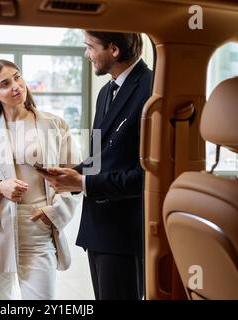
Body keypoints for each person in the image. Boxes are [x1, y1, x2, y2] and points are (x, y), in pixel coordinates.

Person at [39, 31, 153, 299]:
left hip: (126, 233)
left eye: (90, 47)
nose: (86, 54)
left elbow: (147, 176)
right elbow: (98, 157)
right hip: (98, 229)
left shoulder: (152, 90)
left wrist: (84, 183)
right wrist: (73, 174)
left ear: (113, 50)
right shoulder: (106, 92)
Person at [0, 59, 80, 300]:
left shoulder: (55, 125)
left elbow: (76, 179)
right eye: (5, 83)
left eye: (17, 77)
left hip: (39, 230)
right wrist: (0, 186)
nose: (16, 86)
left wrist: (53, 213)